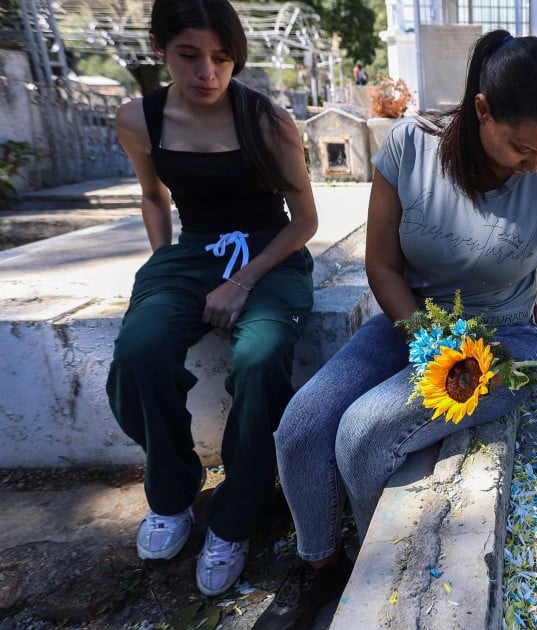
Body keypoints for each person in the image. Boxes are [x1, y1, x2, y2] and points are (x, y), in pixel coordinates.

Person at [254, 30, 537, 629]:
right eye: (522, 147)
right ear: (482, 111)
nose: (534, 164)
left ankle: (383, 578)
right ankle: (319, 566)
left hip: (502, 346)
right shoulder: (409, 149)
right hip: (408, 319)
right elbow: (383, 265)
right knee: (303, 425)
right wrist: (427, 340)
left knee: (364, 434)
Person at [108, 0, 318, 597]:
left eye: (222, 58)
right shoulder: (138, 119)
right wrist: (160, 264)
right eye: (189, 56)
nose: (208, 73)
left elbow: (303, 220)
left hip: (270, 252)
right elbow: (153, 197)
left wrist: (244, 280)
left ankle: (234, 517)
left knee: (260, 356)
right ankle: (172, 492)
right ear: (159, 49)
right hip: (193, 251)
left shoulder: (267, 121)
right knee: (141, 351)